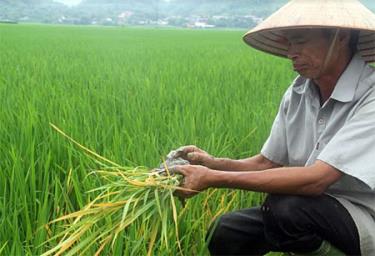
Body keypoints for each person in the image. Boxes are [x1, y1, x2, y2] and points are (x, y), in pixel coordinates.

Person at [170, 0, 375, 255]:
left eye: (300, 41)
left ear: (341, 36)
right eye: (289, 43)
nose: (291, 53)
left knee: (286, 209)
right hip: (308, 207)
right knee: (225, 231)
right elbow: (267, 163)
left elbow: (318, 180)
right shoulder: (299, 90)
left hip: (361, 218)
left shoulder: (371, 98)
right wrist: (212, 163)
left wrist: (213, 178)